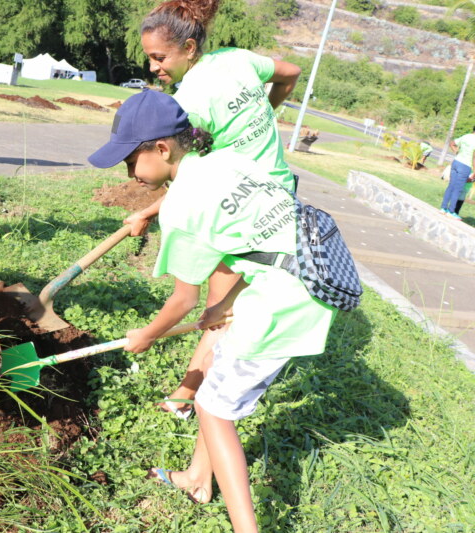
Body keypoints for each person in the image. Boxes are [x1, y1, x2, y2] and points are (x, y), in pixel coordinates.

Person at [89, 90, 336, 531]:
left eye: (131, 161)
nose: (130, 174)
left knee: (214, 410)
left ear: (162, 148)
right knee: (217, 377)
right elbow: (257, 236)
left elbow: (182, 300)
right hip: (307, 274)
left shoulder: (183, 205)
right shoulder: (227, 162)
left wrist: (146, 335)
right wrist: (222, 303)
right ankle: (198, 479)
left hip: (281, 304)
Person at [126, 0, 302, 417]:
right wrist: (267, 111)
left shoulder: (189, 104)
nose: (153, 68)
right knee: (222, 309)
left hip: (243, 210)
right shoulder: (235, 59)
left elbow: (193, 180)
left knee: (219, 312)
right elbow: (290, 73)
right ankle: (194, 397)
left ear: (188, 47)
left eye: (159, 57)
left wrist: (150, 212)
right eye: (149, 58)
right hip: (277, 190)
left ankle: (188, 400)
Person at [441, 126, 475, 221]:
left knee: (451, 186)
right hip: (465, 166)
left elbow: (452, 143)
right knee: (458, 189)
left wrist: (457, 153)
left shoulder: (466, 136)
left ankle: (443, 208)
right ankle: (451, 212)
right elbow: (474, 158)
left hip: (456, 162)